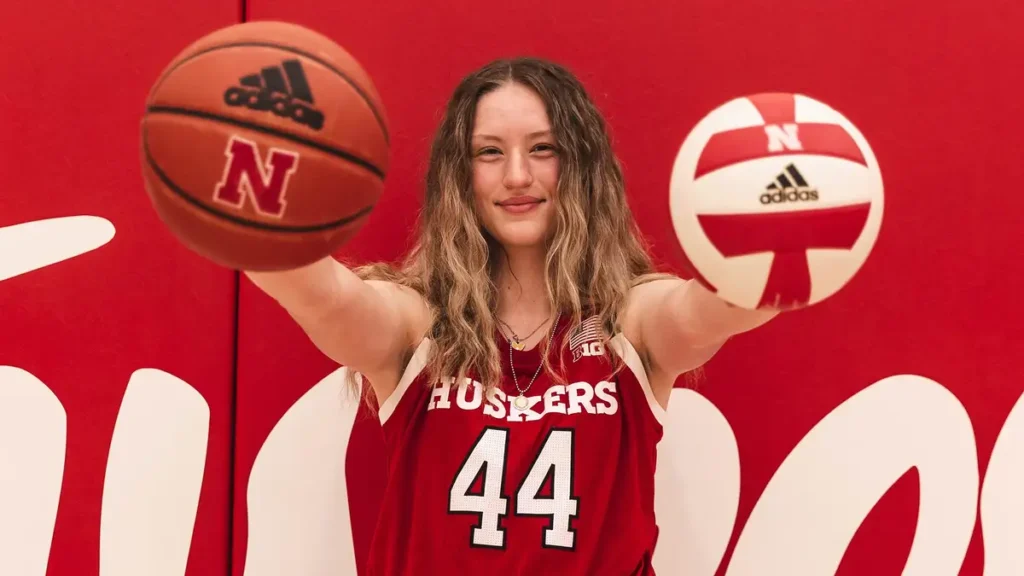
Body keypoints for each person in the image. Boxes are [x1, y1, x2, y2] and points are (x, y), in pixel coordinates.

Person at [246, 57, 778, 575]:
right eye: (489, 152)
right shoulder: (421, 324)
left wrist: (787, 245)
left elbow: (710, 310)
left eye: (543, 149)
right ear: (459, 174)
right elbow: (326, 297)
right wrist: (247, 208)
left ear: (582, 166)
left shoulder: (627, 320)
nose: (518, 175)